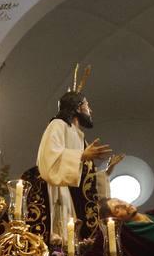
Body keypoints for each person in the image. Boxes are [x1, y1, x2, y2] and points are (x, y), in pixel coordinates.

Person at [37, 89, 113, 243]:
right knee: (62, 237)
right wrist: (82, 155)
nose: (90, 110)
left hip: (73, 195)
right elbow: (48, 158)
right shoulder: (58, 125)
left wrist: (103, 174)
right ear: (78, 107)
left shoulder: (79, 136)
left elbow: (83, 175)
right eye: (87, 105)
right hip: (58, 191)